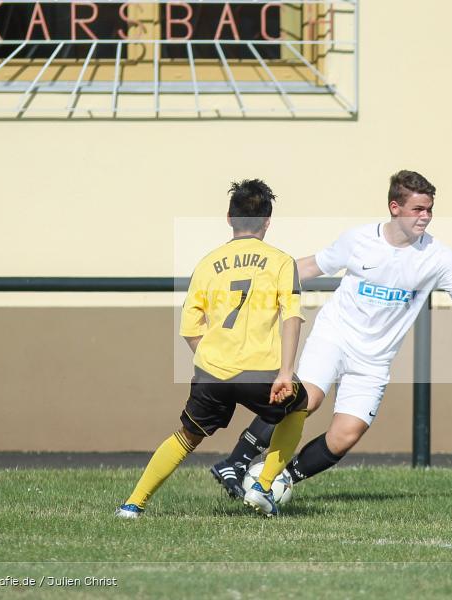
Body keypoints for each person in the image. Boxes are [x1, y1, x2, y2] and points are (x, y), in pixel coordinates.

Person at [210, 170, 452, 497]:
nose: (425, 216)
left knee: (346, 435)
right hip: (335, 336)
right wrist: (260, 278)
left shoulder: (438, 257)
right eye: (418, 209)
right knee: (305, 400)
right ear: (394, 208)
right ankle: (235, 462)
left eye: (429, 209)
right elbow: (313, 265)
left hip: (375, 358)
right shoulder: (359, 240)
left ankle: (282, 481)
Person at [116, 179, 308, 518]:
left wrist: (212, 361)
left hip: (212, 371)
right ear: (267, 222)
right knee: (299, 404)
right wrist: (285, 372)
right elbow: (292, 317)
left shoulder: (207, 263)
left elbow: (190, 329)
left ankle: (133, 504)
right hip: (261, 370)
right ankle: (263, 487)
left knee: (188, 435)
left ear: (229, 219)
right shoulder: (281, 261)